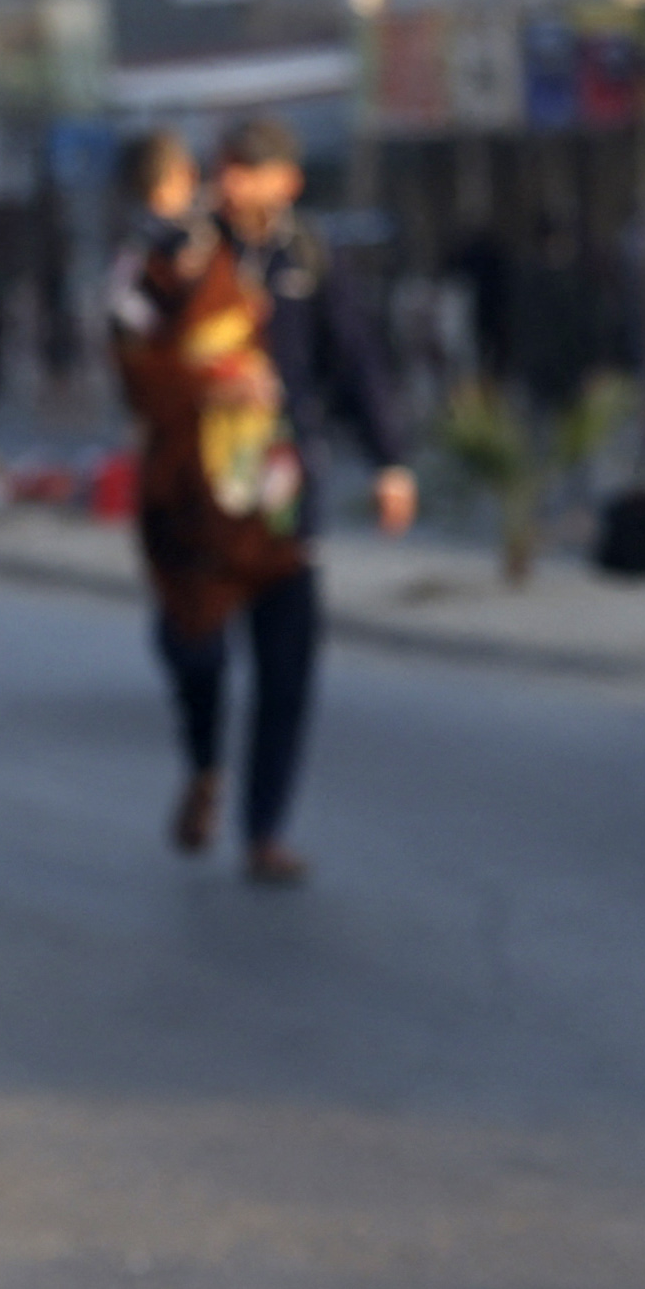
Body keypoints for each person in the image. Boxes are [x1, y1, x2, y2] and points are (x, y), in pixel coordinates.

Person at [117, 116, 414, 887]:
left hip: (282, 486)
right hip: (194, 492)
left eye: (255, 170)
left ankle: (265, 830)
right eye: (230, 167)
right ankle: (206, 764)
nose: (238, 183)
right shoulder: (186, 247)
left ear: (289, 181)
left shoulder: (309, 256)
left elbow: (355, 359)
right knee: (195, 649)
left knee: (288, 666)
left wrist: (391, 463)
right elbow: (134, 336)